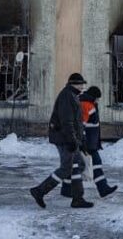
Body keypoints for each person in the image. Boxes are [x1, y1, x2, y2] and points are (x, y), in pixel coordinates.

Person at [30, 72, 94, 209]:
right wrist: (72, 141)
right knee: (66, 168)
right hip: (64, 139)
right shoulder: (67, 96)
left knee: (79, 165)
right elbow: (67, 122)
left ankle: (76, 197)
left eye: (83, 84)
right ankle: (39, 191)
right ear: (73, 84)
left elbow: (78, 123)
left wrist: (81, 142)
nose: (83, 86)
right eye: (80, 84)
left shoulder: (73, 96)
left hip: (71, 139)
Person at [60, 86, 117, 198]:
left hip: (90, 142)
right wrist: (83, 143)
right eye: (98, 98)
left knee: (78, 165)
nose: (98, 100)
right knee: (78, 165)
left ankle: (67, 188)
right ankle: (102, 188)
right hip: (86, 143)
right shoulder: (87, 105)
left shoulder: (87, 103)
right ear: (94, 97)